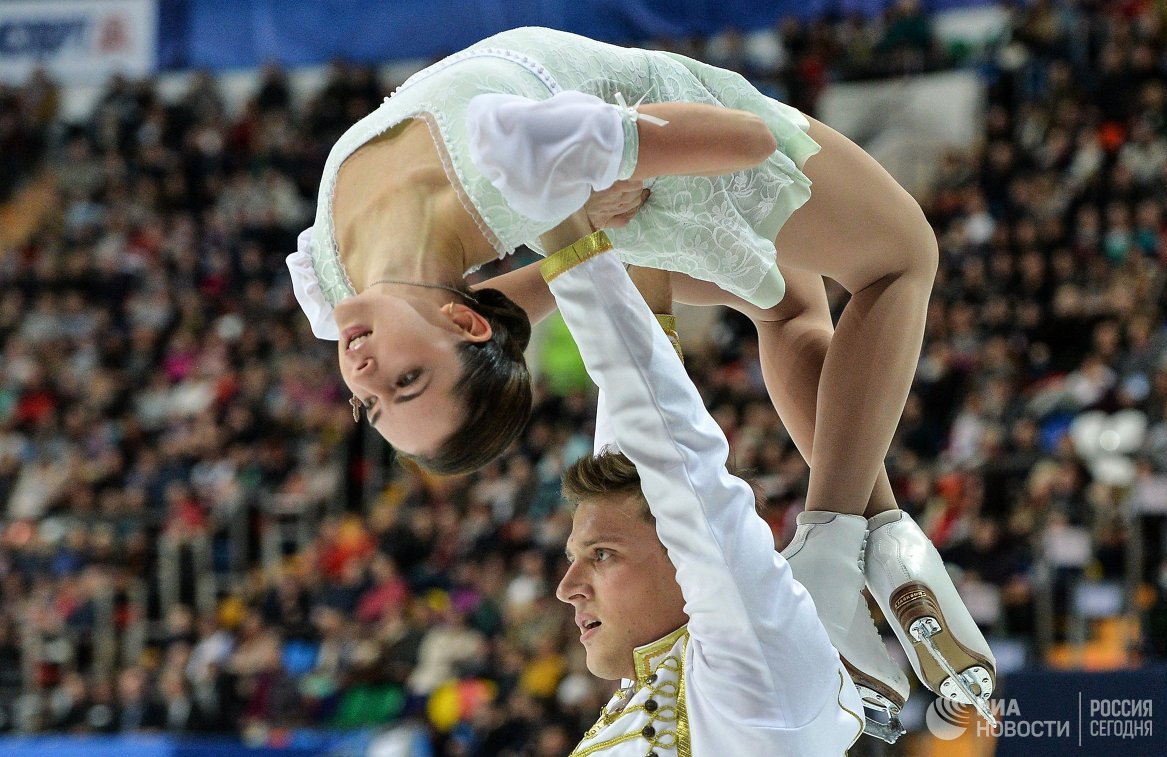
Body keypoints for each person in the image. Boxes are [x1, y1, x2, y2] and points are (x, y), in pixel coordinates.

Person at [286, 25, 996, 736]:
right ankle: (840, 543)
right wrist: (612, 154)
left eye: (374, 401)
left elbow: (491, 307)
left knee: (788, 307)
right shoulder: (520, 150)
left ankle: (883, 535)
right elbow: (745, 139)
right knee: (901, 256)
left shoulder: (325, 286)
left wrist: (580, 233)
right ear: (463, 326)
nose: (364, 371)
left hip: (603, 212)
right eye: (406, 381)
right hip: (642, 154)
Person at [546, 236, 863, 754]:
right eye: (577, 557)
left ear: (686, 553)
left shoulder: (755, 681)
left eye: (601, 555)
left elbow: (674, 460)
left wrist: (567, 228)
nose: (567, 588)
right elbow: (639, 411)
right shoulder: (663, 680)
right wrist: (629, 224)